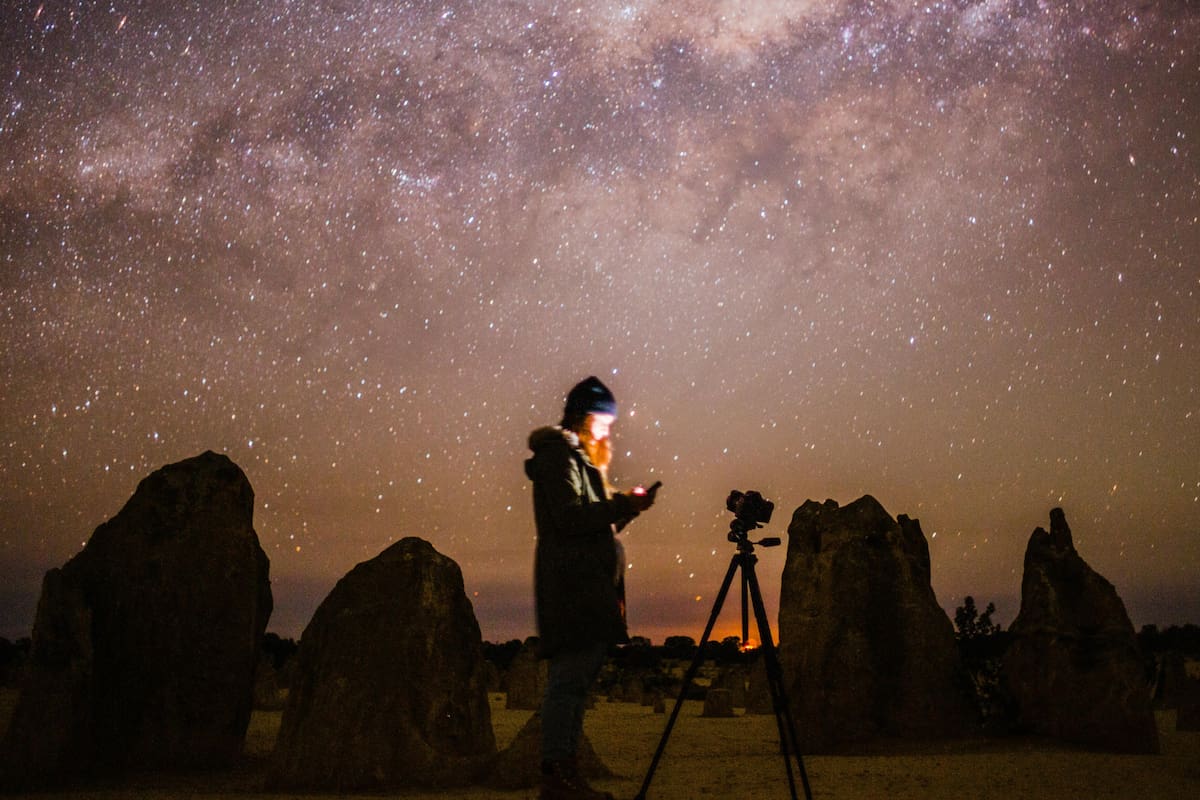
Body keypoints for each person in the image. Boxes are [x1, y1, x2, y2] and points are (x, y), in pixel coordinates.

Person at [524, 376, 659, 800]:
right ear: (584, 417)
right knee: (568, 682)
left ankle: (567, 775)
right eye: (603, 421)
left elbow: (595, 521)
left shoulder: (578, 459)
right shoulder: (557, 455)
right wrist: (622, 504)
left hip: (586, 587)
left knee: (577, 683)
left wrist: (630, 509)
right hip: (573, 589)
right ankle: (557, 778)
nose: (607, 431)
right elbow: (569, 518)